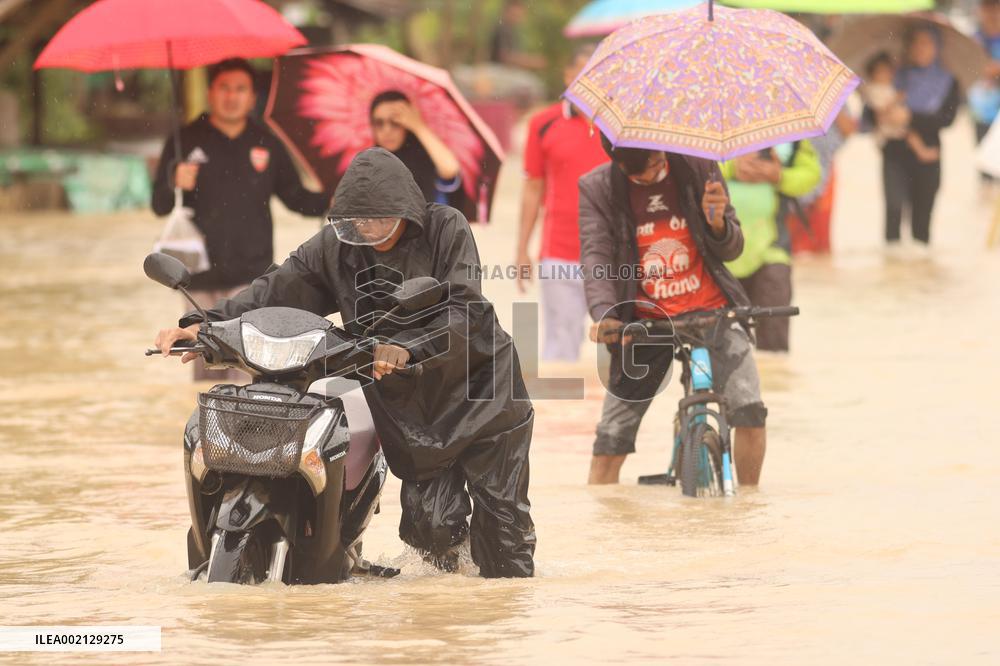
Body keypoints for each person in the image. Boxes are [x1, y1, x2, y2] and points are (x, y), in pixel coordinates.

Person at [154, 148, 536, 578]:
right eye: (358, 220)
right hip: (413, 407)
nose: (367, 229)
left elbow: (465, 310)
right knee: (431, 531)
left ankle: (504, 604)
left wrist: (408, 346)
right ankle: (457, 605)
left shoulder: (446, 228)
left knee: (504, 544)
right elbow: (275, 289)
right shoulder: (335, 246)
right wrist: (204, 325)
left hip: (483, 395)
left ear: (406, 211)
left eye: (379, 219)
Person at [579, 137, 769, 487]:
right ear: (618, 164)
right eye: (641, 172)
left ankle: (747, 501)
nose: (653, 173)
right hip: (645, 321)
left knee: (750, 412)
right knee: (610, 441)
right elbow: (596, 256)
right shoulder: (598, 188)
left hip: (713, 311)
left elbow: (732, 250)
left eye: (656, 162)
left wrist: (718, 224)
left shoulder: (700, 166)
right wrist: (605, 314)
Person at [151, 58, 331, 380]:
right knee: (205, 378)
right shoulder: (184, 140)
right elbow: (159, 205)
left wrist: (333, 197)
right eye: (224, 88)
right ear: (210, 92)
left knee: (248, 374)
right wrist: (173, 181)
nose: (231, 96)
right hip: (198, 279)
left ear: (252, 97)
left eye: (240, 89)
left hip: (252, 279)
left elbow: (296, 198)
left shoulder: (267, 142)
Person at [515, 44, 608, 362]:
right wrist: (522, 249)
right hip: (560, 253)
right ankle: (557, 394)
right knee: (561, 345)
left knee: (620, 351)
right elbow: (532, 189)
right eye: (582, 72)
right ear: (568, 76)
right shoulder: (543, 123)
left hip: (613, 255)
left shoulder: (620, 128)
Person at [862, 27, 959, 255]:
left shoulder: (948, 81)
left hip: (928, 155)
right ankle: (891, 270)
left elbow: (947, 119)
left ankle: (921, 273)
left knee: (921, 221)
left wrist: (910, 117)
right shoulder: (892, 76)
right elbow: (868, 115)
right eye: (916, 43)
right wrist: (881, 113)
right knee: (893, 210)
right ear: (907, 46)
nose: (921, 49)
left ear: (937, 47)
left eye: (927, 43)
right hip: (894, 153)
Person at [721, 142, 821, 352]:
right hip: (717, 253)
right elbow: (687, 171)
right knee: (721, 342)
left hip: (772, 249)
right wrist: (731, 168)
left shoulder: (789, 134)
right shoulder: (705, 128)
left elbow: (812, 175)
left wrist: (779, 176)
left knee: (774, 343)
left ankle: (776, 374)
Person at [369, 90, 466, 209]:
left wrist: (418, 126)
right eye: (379, 123)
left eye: (395, 122)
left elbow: (450, 169)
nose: (387, 130)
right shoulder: (369, 165)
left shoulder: (427, 158)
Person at [861, 52, 938, 163]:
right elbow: (880, 109)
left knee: (911, 135)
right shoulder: (873, 90)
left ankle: (922, 151)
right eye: (880, 72)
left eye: (887, 71)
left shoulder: (889, 86)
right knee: (910, 135)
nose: (885, 75)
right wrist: (896, 99)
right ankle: (922, 152)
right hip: (887, 127)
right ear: (872, 74)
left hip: (896, 121)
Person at [971, 0, 1000, 188]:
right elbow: (974, 69)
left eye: (995, 7)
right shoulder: (975, 39)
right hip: (982, 109)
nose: (992, 13)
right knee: (987, 169)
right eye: (987, 7)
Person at [489, 0, 545, 70]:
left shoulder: (512, 30)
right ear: (506, 12)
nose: (517, 17)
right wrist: (531, 61)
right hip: (497, 70)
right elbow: (504, 57)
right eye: (514, 14)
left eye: (518, 15)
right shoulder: (502, 29)